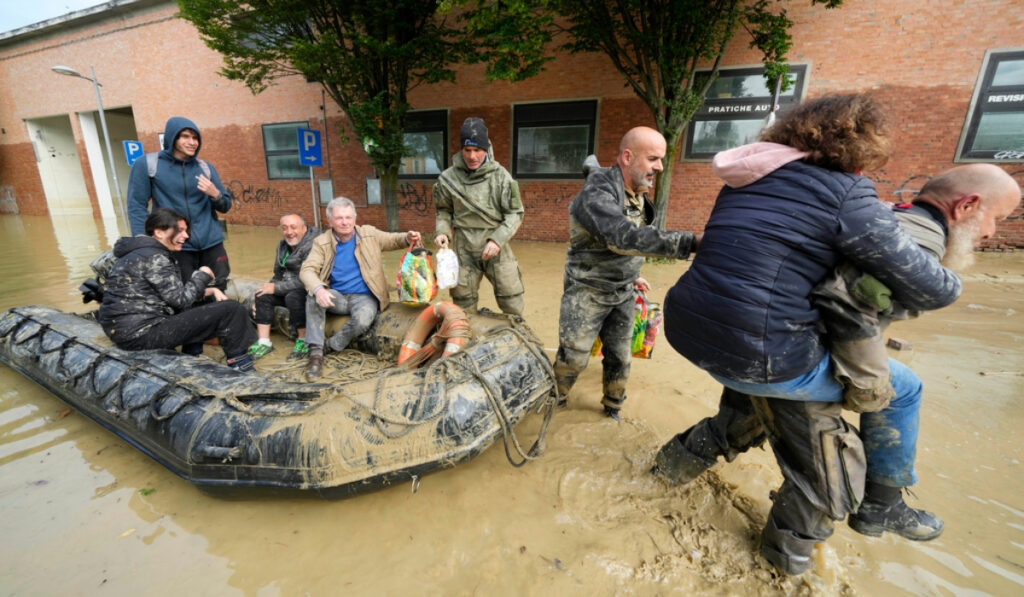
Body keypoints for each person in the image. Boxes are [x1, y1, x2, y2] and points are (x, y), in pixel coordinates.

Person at [652, 93, 1021, 575]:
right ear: (968, 204)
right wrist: (951, 278)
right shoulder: (849, 194)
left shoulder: (748, 181)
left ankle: (661, 473)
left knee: (750, 415)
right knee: (882, 415)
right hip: (762, 352)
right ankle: (806, 553)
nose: (993, 232)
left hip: (693, 329)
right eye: (996, 220)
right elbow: (929, 287)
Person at [553, 126, 699, 421]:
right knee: (574, 356)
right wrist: (691, 242)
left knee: (620, 355)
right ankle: (554, 400)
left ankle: (613, 407)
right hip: (587, 289)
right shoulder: (596, 192)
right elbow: (621, 237)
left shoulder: (639, 194)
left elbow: (638, 238)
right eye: (653, 159)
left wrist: (635, 273)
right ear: (628, 157)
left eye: (662, 160)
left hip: (624, 290)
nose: (659, 167)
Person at [98, 208, 257, 372]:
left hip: (123, 331)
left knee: (197, 305)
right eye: (180, 230)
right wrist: (203, 275)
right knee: (231, 309)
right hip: (142, 335)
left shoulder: (137, 253)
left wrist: (212, 291)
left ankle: (191, 355)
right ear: (159, 232)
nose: (186, 236)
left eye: (186, 230)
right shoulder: (156, 258)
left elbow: (169, 294)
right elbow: (181, 300)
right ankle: (242, 367)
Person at [299, 197, 421, 381]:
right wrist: (319, 290)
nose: (344, 222)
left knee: (363, 320)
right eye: (339, 218)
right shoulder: (321, 242)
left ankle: (330, 346)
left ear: (355, 218)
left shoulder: (369, 234)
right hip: (337, 296)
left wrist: (407, 237)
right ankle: (315, 354)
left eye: (348, 217)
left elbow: (393, 240)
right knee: (312, 296)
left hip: (365, 296)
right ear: (330, 221)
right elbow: (307, 270)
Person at [127, 116, 233, 289]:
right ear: (172, 137)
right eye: (185, 136)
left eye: (195, 137)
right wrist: (145, 246)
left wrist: (215, 194)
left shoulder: (206, 168)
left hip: (212, 244)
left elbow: (226, 206)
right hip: (177, 246)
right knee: (183, 294)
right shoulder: (148, 165)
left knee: (220, 289)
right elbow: (136, 207)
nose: (192, 142)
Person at [433, 117, 525, 315]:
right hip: (463, 247)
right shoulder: (448, 179)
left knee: (512, 301)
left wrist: (497, 240)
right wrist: (442, 232)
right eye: (467, 150)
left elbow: (515, 213)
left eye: (477, 150)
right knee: (462, 305)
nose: (472, 156)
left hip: (495, 246)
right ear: (461, 150)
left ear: (486, 149)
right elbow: (443, 210)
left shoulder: (501, 176)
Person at [248, 213, 318, 360]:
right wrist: (268, 288)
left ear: (304, 228)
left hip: (307, 288)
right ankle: (264, 342)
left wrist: (276, 288)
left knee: (293, 296)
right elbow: (278, 274)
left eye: (294, 227)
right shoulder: (282, 246)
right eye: (285, 228)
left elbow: (308, 278)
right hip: (286, 285)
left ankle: (303, 340)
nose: (289, 232)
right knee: (262, 293)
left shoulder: (313, 245)